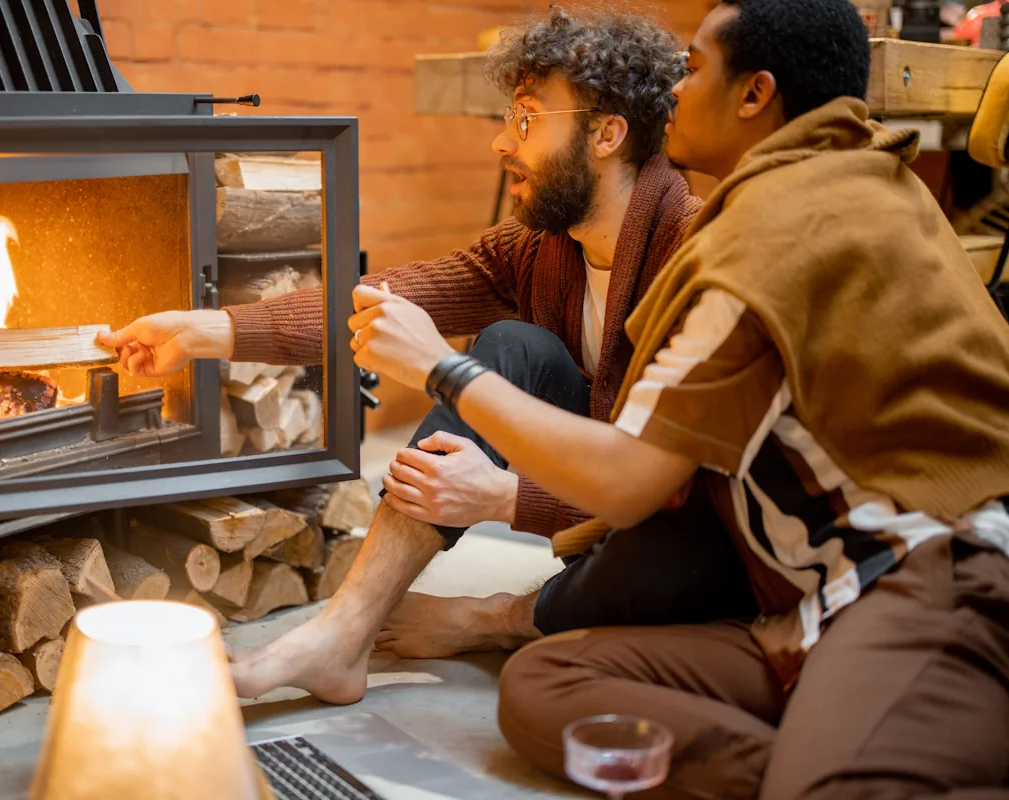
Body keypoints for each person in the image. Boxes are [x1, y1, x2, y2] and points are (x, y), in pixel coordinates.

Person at [348, 0, 1009, 796]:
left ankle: (858, 757)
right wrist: (215, 329)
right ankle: (853, 747)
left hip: (932, 579)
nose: (670, 91)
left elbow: (631, 482)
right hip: (807, 604)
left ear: (754, 94)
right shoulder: (856, 178)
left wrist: (446, 373)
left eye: (692, 68)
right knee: (544, 687)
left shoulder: (764, 239)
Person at [101, 6, 758, 703]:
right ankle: (343, 634)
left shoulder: (692, 255)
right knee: (512, 347)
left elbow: (677, 496)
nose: (502, 143)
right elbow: (379, 300)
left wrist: (508, 497)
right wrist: (203, 332)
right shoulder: (537, 248)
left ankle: (495, 616)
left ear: (606, 133)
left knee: (644, 576)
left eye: (527, 119)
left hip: (698, 536)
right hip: (607, 514)